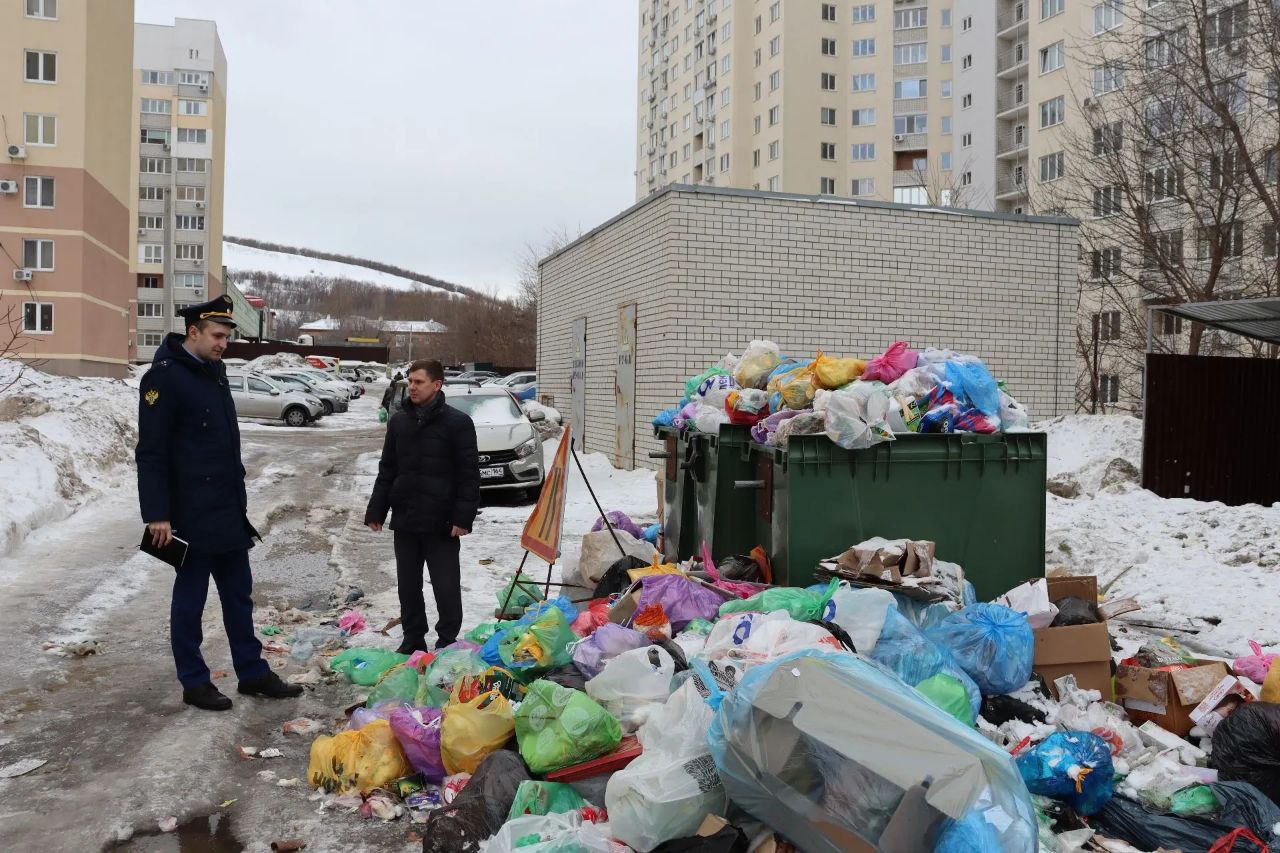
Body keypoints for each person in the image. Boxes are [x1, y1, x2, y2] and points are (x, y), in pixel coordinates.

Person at [135, 295, 303, 711]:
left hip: (227, 511)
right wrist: (157, 514)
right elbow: (151, 451)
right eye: (217, 336)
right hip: (190, 514)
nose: (223, 344)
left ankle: (252, 672)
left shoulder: (216, 371)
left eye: (226, 337)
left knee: (239, 598)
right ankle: (194, 681)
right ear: (193, 332)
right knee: (190, 603)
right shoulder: (164, 378)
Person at [364, 359, 480, 653]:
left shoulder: (458, 423)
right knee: (408, 586)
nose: (412, 387)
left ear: (437, 384)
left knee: (445, 586)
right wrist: (377, 510)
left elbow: (468, 475)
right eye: (410, 382)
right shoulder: (399, 422)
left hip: (442, 522)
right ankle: (413, 638)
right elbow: (388, 469)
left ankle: (446, 641)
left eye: (418, 382)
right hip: (406, 518)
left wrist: (462, 517)